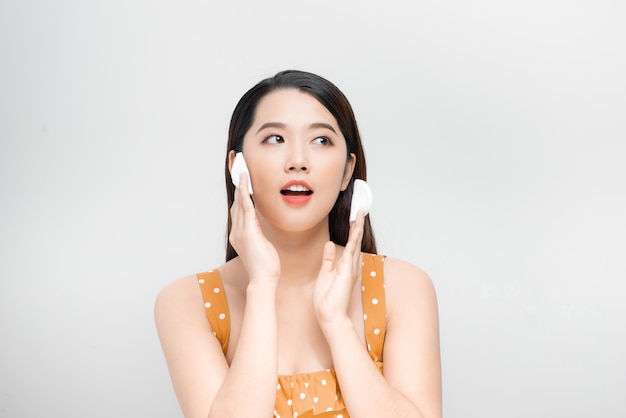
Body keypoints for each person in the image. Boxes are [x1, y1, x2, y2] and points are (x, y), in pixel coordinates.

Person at [154, 70, 441, 418]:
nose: (298, 161)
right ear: (236, 166)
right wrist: (261, 285)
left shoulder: (404, 287)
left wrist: (337, 323)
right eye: (275, 138)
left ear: (347, 172)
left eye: (321, 140)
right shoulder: (186, 302)